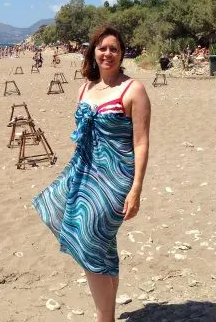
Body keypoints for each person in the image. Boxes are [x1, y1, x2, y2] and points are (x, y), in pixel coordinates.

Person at [32, 25, 151, 322]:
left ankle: (103, 319)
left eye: (114, 48)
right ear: (93, 52)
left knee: (87, 239)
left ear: (122, 53)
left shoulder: (133, 89)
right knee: (99, 244)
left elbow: (141, 142)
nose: (108, 53)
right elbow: (82, 135)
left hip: (114, 178)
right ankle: (107, 315)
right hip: (83, 171)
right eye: (102, 48)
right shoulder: (85, 88)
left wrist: (136, 188)